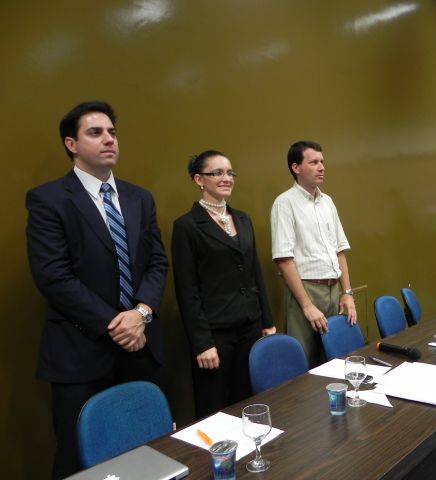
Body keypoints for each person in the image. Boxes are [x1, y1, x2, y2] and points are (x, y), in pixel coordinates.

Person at [26, 101, 168, 479]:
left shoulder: (140, 198)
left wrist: (141, 314)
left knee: (149, 454)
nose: (109, 139)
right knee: (79, 461)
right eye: (96, 132)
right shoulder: (48, 199)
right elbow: (53, 277)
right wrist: (117, 324)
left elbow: (157, 263)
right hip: (80, 354)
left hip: (142, 348)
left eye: (112, 132)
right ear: (71, 144)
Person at [172, 150, 275, 419]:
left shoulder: (243, 219)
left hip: (250, 325)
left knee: (249, 400)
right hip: (215, 333)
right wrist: (201, 343)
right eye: (217, 173)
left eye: (230, 172)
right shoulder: (187, 226)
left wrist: (267, 321)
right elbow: (187, 289)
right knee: (215, 407)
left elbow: (255, 272)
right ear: (199, 179)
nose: (226, 178)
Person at [270, 140, 357, 367]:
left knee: (334, 360)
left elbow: (340, 250)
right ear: (296, 167)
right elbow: (284, 260)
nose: (321, 167)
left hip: (333, 290)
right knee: (305, 364)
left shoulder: (327, 202)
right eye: (314, 162)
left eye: (322, 162)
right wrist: (307, 306)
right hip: (306, 290)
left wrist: (347, 293)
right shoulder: (284, 203)